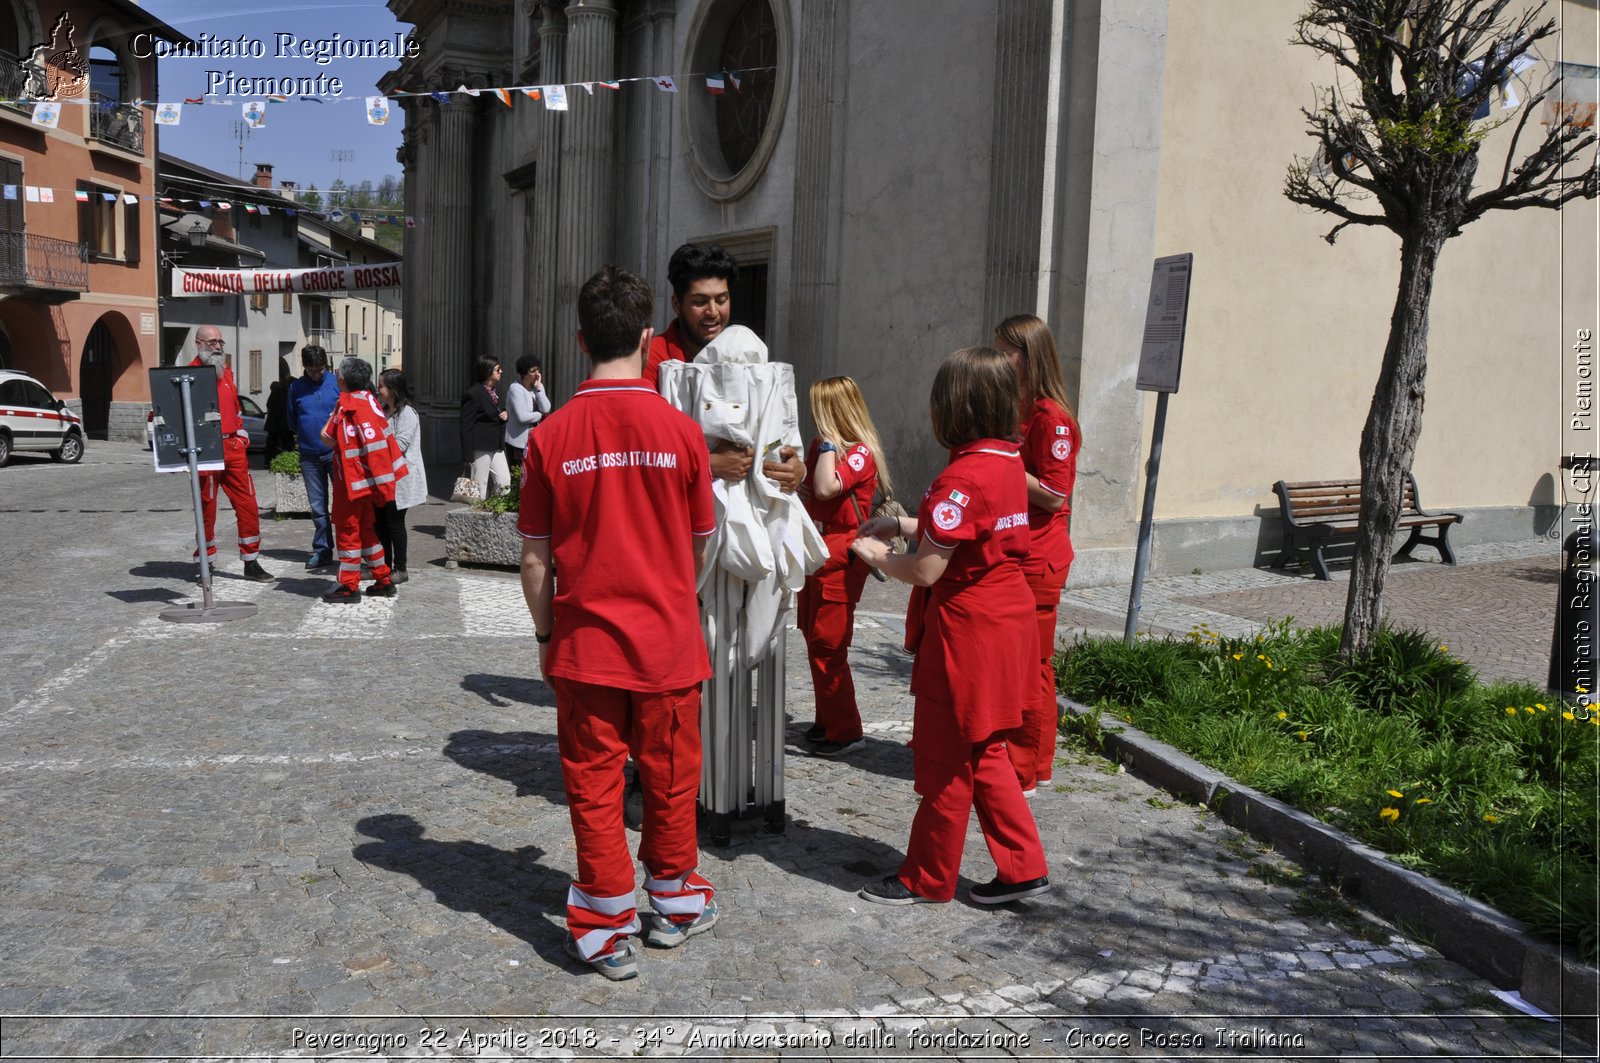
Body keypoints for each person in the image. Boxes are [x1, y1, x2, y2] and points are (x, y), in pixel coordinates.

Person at [519, 265, 718, 981]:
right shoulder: (683, 433)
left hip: (585, 647)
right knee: (669, 779)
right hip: (667, 642)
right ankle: (675, 900)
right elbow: (701, 543)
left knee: (595, 784)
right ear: (646, 336)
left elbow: (536, 562)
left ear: (579, 341)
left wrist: (546, 636)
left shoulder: (550, 437)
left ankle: (604, 927)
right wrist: (669, 597)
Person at [850, 347, 1049, 907]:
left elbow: (926, 568)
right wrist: (903, 521)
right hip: (1008, 616)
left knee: (944, 756)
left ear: (952, 409)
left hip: (969, 630)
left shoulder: (957, 480)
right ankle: (1022, 865)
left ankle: (924, 877)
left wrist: (875, 553)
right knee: (985, 748)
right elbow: (973, 531)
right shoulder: (1007, 461)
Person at [994, 313, 1083, 798]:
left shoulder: (1051, 418)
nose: (999, 358)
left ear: (1030, 356)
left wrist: (1002, 462)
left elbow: (1054, 493)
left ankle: (1028, 767)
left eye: (1006, 350)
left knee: (1033, 667)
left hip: (1039, 558)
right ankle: (1026, 758)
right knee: (1020, 663)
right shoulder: (1019, 408)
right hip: (1018, 552)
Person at [643, 241, 803, 491]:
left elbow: (777, 437)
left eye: (721, 299)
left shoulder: (748, 358)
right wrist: (709, 464)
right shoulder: (651, 360)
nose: (713, 312)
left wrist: (795, 467)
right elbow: (635, 450)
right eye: (700, 301)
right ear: (677, 303)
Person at [797, 376, 891, 757]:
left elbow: (823, 489)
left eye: (820, 409)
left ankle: (846, 730)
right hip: (818, 552)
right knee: (812, 636)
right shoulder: (822, 447)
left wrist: (829, 444)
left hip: (841, 554)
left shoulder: (858, 452)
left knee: (829, 644)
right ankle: (826, 720)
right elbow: (804, 486)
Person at [319, 357, 407, 604]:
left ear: (342, 380)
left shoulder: (345, 405)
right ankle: (383, 579)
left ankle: (348, 587)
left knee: (348, 533)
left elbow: (326, 436)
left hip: (350, 483)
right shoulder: (372, 401)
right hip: (370, 482)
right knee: (368, 531)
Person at [189, 325, 272, 582]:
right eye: (212, 342)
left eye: (220, 342)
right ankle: (206, 560)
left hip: (233, 448)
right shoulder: (189, 374)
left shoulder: (225, 372)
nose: (217, 346)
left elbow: (234, 409)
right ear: (198, 343)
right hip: (207, 449)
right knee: (207, 507)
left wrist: (240, 431)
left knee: (247, 504)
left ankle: (251, 560)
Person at [286, 345, 340, 569]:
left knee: (344, 503)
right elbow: (292, 420)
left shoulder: (337, 384)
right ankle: (323, 550)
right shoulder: (296, 388)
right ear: (304, 367)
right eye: (312, 370)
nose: (316, 374)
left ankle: (351, 549)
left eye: (320, 370)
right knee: (317, 507)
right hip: (309, 455)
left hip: (335, 453)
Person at [374, 368, 425, 584]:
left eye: (382, 385)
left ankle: (400, 568)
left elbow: (400, 445)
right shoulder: (383, 410)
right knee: (380, 523)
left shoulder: (407, 414)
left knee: (394, 522)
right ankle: (383, 566)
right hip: (383, 476)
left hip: (401, 477)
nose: (378, 389)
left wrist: (375, 443)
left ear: (393, 389)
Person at [460, 355, 510, 498]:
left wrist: (505, 415)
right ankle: (476, 517)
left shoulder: (493, 392)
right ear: (488, 371)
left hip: (496, 445)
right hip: (480, 446)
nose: (501, 372)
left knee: (504, 481)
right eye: (497, 369)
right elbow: (466, 426)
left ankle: (498, 513)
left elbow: (494, 414)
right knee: (479, 486)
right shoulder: (473, 394)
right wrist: (467, 455)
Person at [503, 354, 551, 473]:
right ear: (524, 373)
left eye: (538, 370)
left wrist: (539, 389)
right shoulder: (516, 389)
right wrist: (540, 415)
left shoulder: (537, 386)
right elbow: (522, 417)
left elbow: (546, 408)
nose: (537, 374)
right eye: (532, 371)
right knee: (518, 476)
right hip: (517, 442)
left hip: (533, 439)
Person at [263, 377, 292, 462]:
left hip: (272, 422)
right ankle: (286, 461)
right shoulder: (286, 393)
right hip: (282, 422)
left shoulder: (274, 392)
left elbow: (268, 405)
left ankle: (268, 461)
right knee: (286, 444)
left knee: (271, 443)